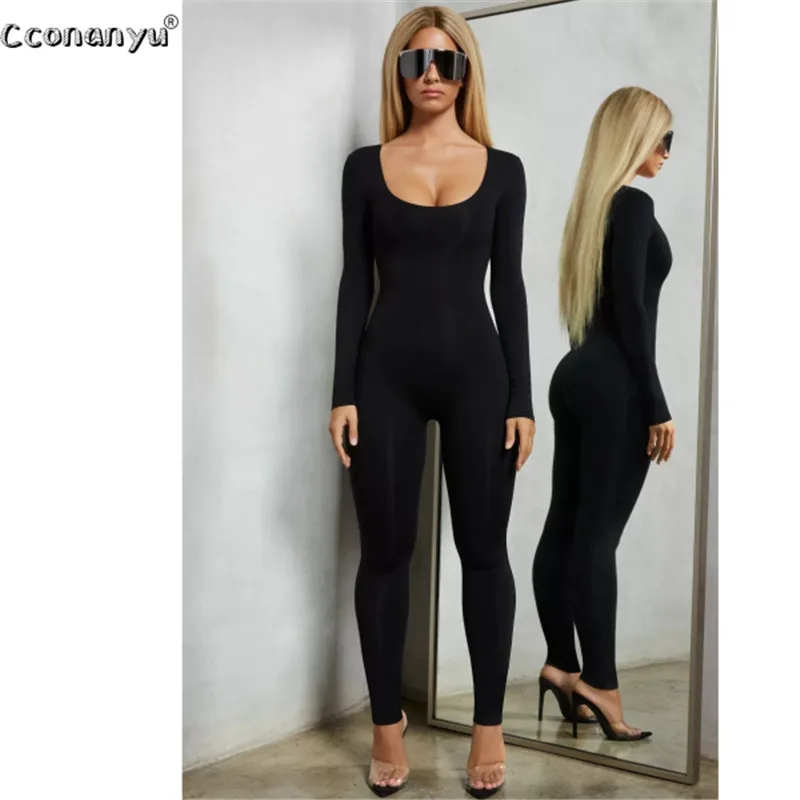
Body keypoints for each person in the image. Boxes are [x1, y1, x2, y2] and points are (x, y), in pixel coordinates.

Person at [328, 6, 535, 797]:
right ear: (399, 73)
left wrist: (523, 396)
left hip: (480, 376)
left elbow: (509, 288)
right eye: (417, 62)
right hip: (384, 378)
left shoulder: (504, 169)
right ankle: (387, 724)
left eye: (448, 61)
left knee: (484, 550)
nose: (433, 76)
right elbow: (355, 282)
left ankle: (488, 724)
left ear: (467, 72)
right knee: (386, 553)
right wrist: (342, 391)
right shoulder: (364, 167)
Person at [532, 86, 676, 742]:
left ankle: (561, 665)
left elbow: (590, 311)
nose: (667, 152)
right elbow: (632, 313)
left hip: (575, 376)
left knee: (564, 526)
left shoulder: (589, 210)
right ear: (634, 137)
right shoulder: (635, 204)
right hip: (616, 382)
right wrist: (656, 403)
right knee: (596, 538)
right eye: (662, 138)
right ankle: (602, 683)